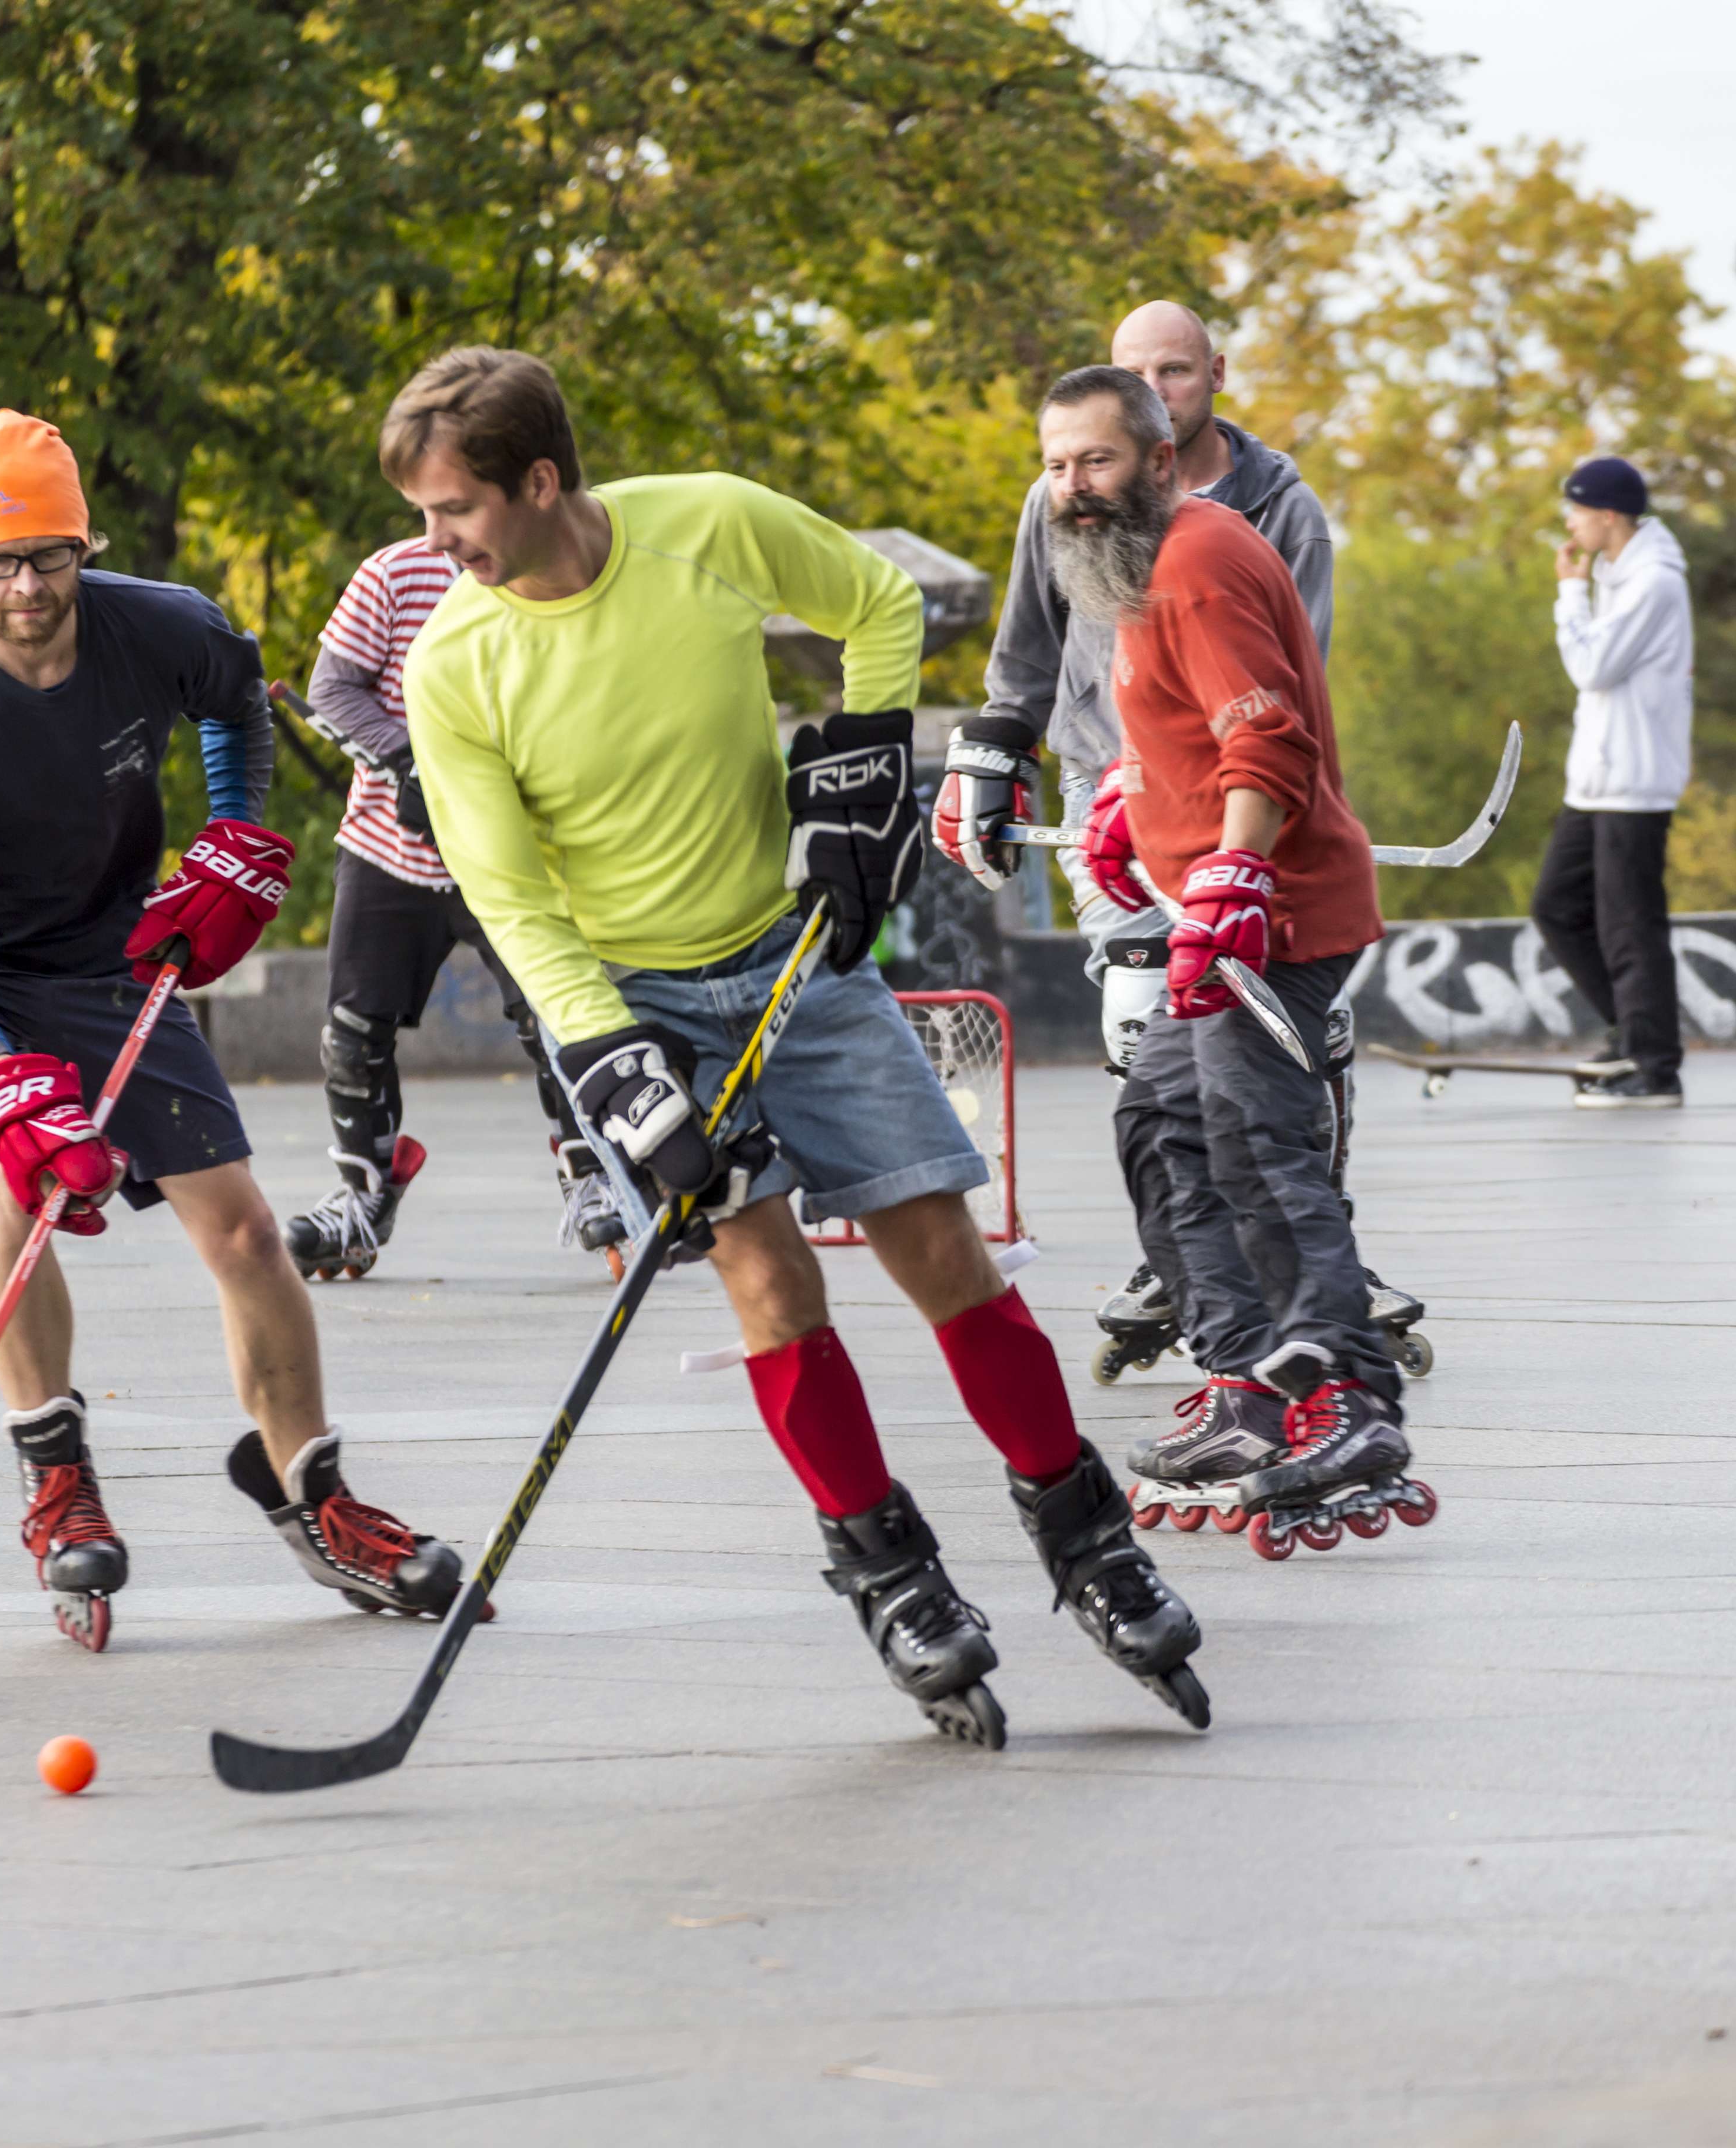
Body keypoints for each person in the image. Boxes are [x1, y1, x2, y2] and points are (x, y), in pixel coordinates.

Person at [385, 344, 1205, 1745]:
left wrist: (856, 777)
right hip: (629, 1001)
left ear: (538, 481)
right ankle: (889, 1572)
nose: (434, 543)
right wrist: (615, 1073)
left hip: (792, 955)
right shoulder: (452, 667)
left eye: (452, 510)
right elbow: (509, 900)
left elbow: (877, 604)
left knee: (937, 1246)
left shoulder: (701, 522)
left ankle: (1087, 1539)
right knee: (763, 1276)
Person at [0, 410, 462, 1654]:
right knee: (9, 1181)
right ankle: (56, 1474)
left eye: (50, 558)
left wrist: (235, 836)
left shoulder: (158, 623)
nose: (28, 589)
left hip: (106, 948)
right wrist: (9, 1088)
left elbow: (238, 699)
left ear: (86, 547)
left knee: (241, 1225)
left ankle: (317, 1498)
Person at [951, 299, 1423, 1383]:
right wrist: (1038, 764)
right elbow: (1055, 664)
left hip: (1264, 883)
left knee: (1249, 1125)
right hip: (1153, 818)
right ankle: (1239, 1367)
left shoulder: (1208, 553)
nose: (1072, 480)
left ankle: (1338, 1370)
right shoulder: (1100, 531)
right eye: (1058, 461)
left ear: (1163, 453)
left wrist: (1232, 866)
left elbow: (1263, 729)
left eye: (1096, 458)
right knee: (1163, 1119)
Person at [276, 538, 627, 1281]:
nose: (451, 525)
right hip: (387, 848)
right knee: (351, 1036)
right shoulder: (397, 572)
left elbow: (595, 710)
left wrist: (479, 783)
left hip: (511, 849)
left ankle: (594, 1174)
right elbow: (333, 689)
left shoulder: (560, 571)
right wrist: (408, 759)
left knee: (557, 1015)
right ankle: (363, 1196)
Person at [1532, 454, 1692, 1109]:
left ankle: (1655, 1069)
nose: (1569, 524)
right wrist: (1585, 585)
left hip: (1636, 781)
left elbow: (1594, 666)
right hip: (1595, 783)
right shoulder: (1617, 571)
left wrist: (1569, 593)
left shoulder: (1654, 581)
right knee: (1557, 907)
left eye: (1575, 510)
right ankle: (1630, 1034)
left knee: (1631, 928)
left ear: (1606, 516)